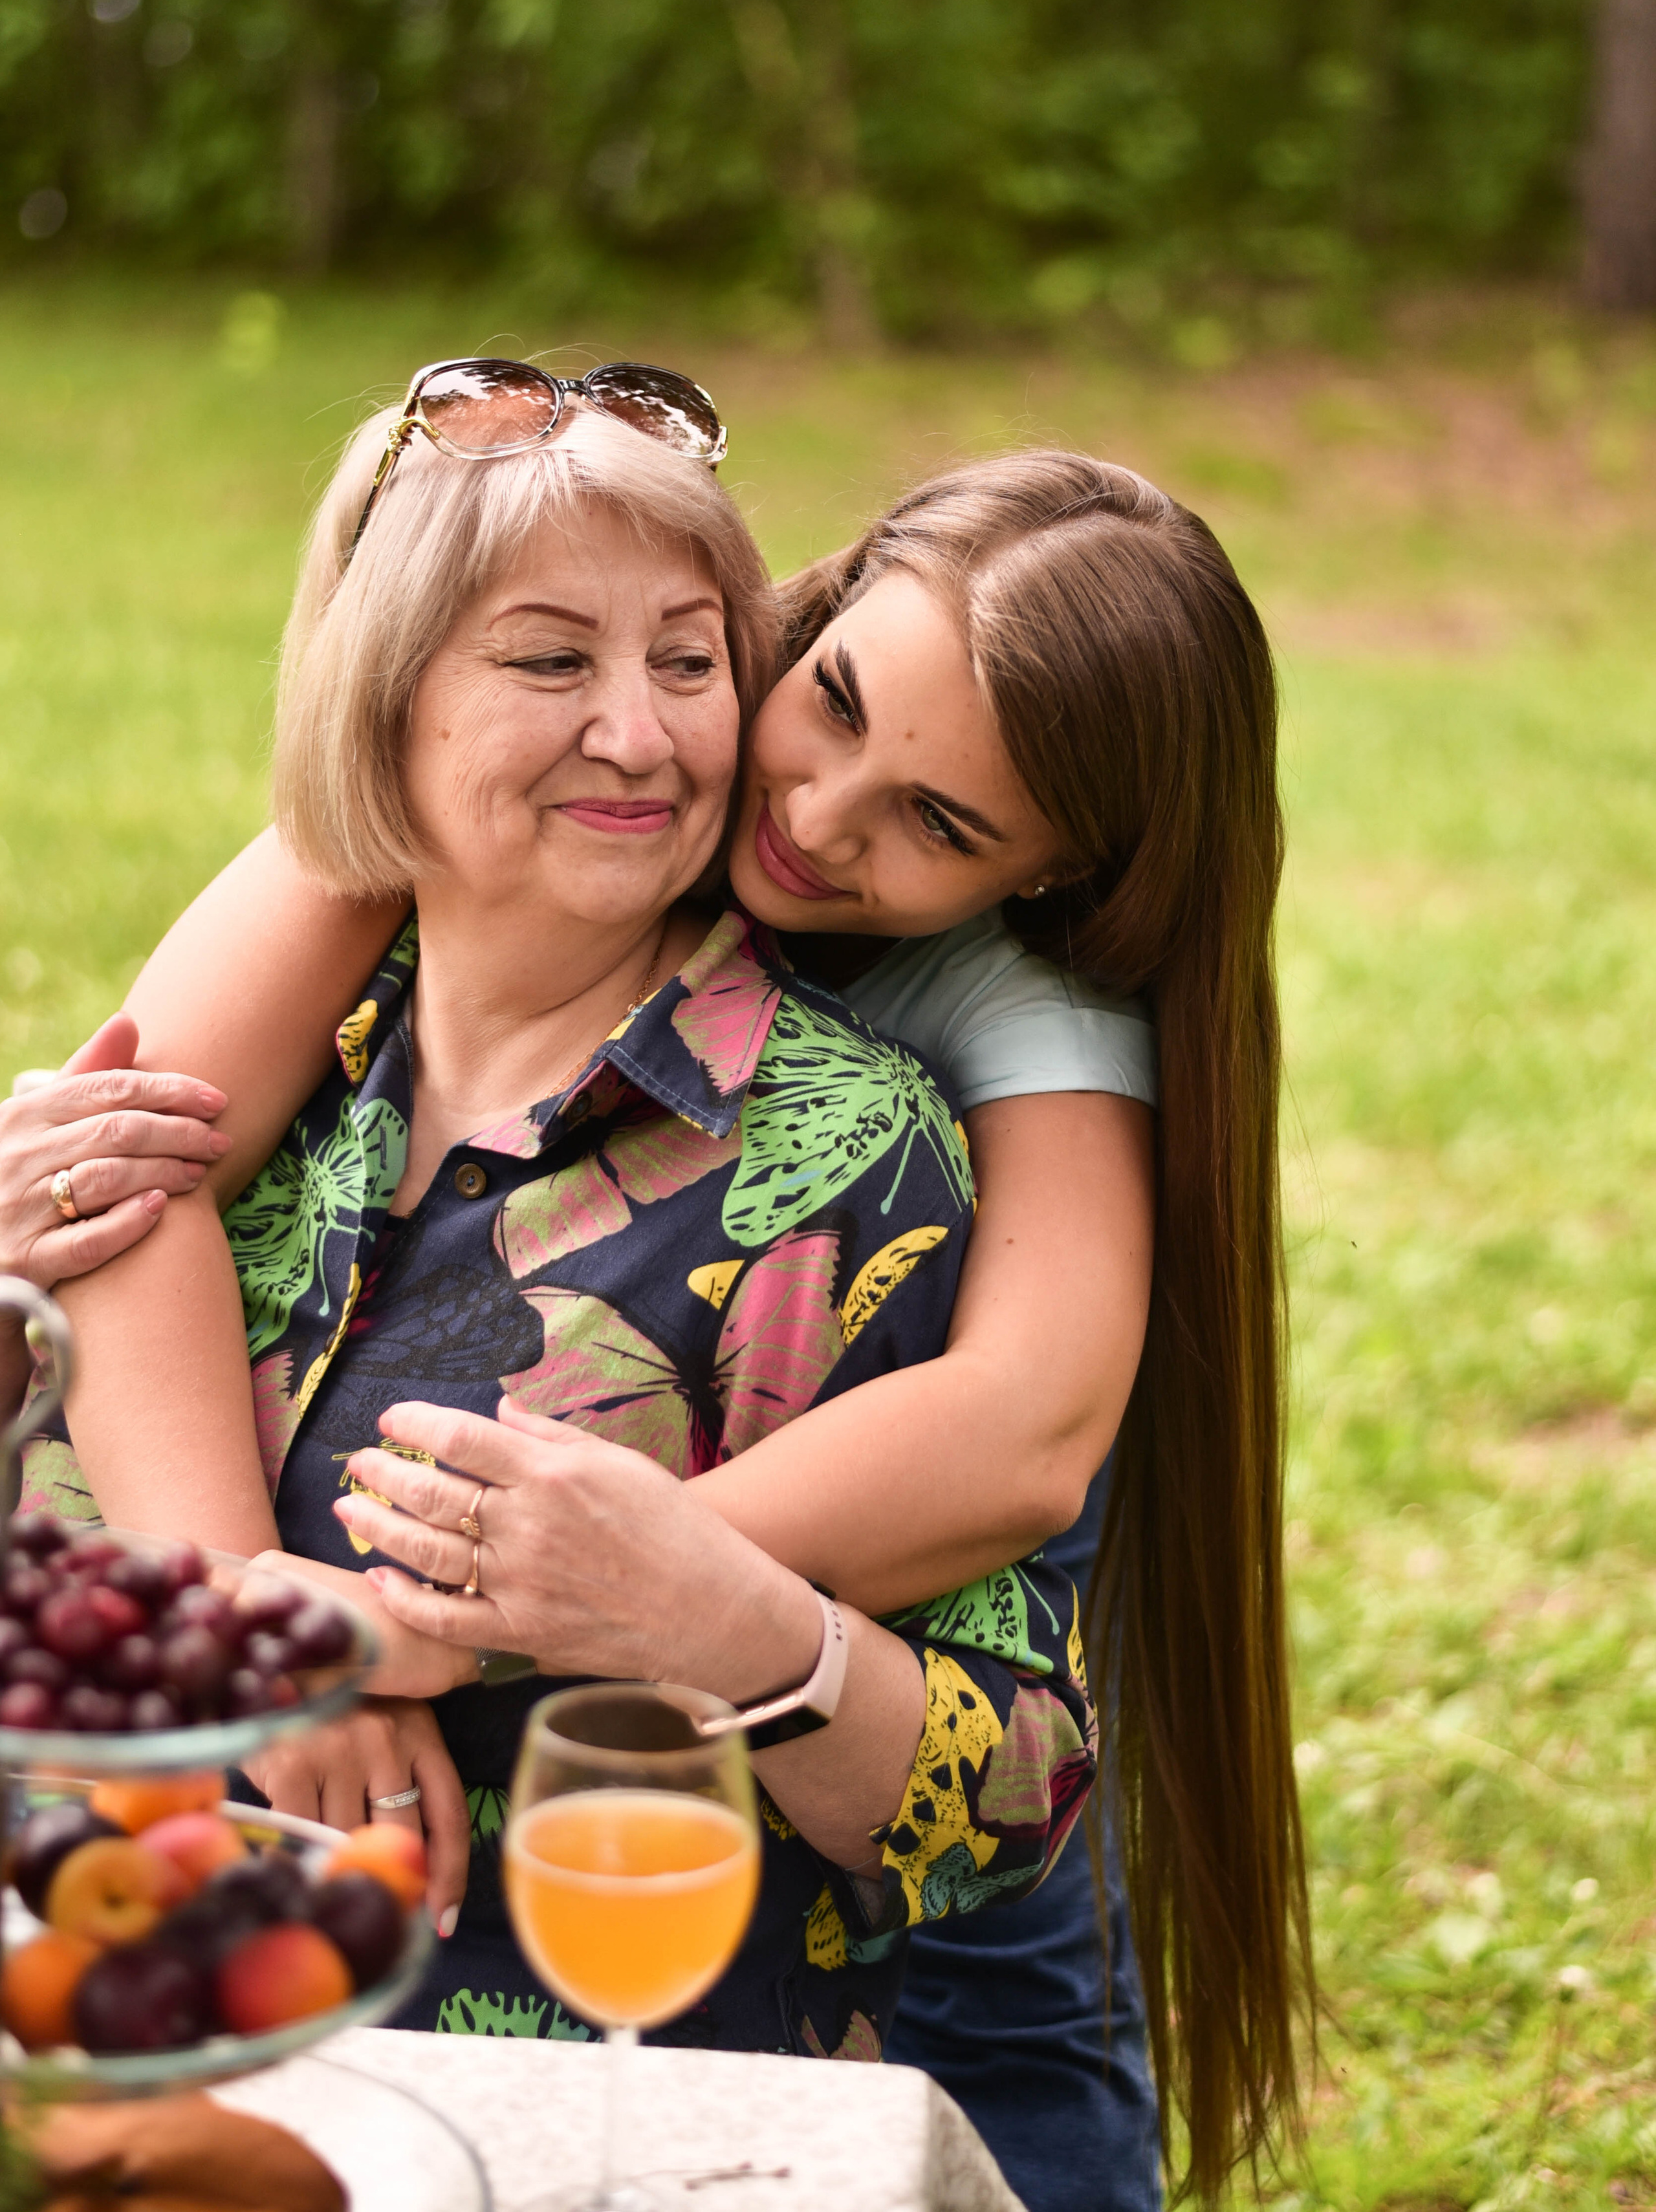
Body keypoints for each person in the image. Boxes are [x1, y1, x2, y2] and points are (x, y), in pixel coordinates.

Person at [0, 385, 1304, 2202]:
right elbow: (126, 1156)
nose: (815, 813)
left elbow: (1029, 1431)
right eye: (825, 702)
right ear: (812, 619)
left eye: (931, 817)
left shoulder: (1004, 1027)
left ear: (1042, 873)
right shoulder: (512, 792)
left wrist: (566, 1602)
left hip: (896, 1409)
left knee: (1004, 1968)